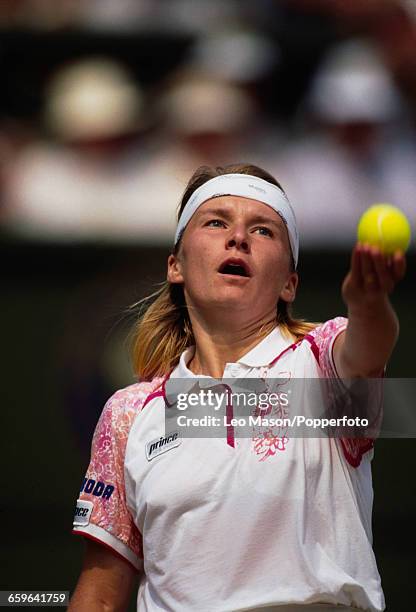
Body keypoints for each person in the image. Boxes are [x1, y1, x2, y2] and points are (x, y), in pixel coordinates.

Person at [69, 164, 405, 611]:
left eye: (263, 230)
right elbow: (100, 598)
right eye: (216, 222)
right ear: (176, 265)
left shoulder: (320, 363)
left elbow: (367, 349)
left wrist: (368, 304)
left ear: (289, 283)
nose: (239, 238)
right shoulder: (130, 414)